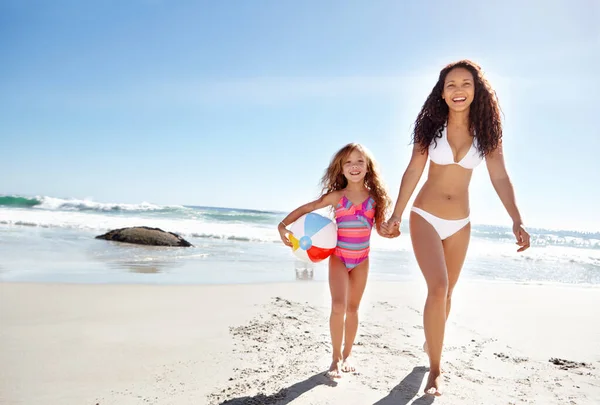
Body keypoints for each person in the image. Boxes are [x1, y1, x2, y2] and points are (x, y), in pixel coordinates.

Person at [380, 60, 531, 396]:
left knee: (447, 294)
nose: (458, 90)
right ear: (442, 91)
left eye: (465, 83)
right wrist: (397, 215)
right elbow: (413, 171)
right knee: (438, 287)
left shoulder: (487, 133)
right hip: (425, 216)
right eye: (451, 84)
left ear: (477, 90)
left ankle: (431, 340)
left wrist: (516, 218)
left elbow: (500, 176)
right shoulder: (431, 128)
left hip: (460, 223)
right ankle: (435, 370)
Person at [278, 143, 391, 378]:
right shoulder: (337, 197)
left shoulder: (375, 199)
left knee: (353, 308)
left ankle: (348, 354)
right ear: (340, 169)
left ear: (368, 167)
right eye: (348, 162)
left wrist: (393, 230)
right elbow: (309, 207)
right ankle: (335, 358)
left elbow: (381, 228)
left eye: (360, 161)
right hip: (339, 257)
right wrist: (283, 225)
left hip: (361, 259)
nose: (354, 166)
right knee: (338, 306)